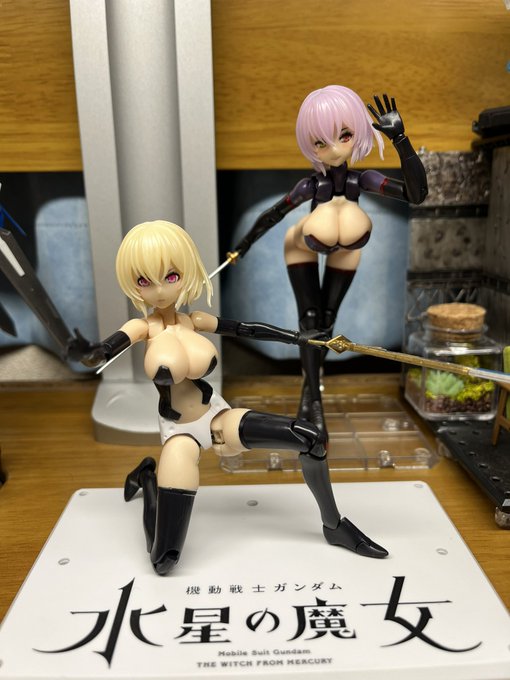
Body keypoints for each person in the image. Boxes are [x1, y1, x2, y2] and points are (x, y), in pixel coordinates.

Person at [69, 220, 388, 575]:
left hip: (218, 419)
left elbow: (246, 329)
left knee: (310, 438)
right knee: (163, 560)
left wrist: (301, 338)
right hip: (181, 436)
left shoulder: (195, 320)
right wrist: (87, 353)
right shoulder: (142, 328)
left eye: (171, 276)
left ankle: (334, 526)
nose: (160, 290)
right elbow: (105, 350)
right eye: (145, 281)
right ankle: (148, 477)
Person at [229, 88, 428, 439]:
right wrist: (243, 246)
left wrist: (401, 140)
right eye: (321, 142)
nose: (334, 148)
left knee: (326, 323)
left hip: (346, 252)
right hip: (301, 247)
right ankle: (313, 402)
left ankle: (310, 389)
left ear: (357, 133)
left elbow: (417, 194)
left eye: (344, 135)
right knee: (310, 320)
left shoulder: (362, 181)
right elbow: (275, 213)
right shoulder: (312, 186)